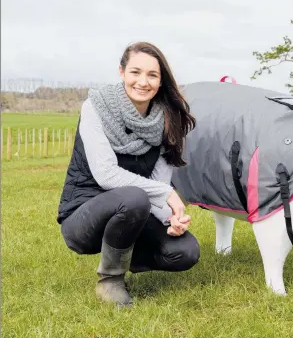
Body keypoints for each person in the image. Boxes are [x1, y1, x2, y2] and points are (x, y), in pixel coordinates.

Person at [57, 41, 199, 307]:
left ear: (160, 81)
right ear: (121, 72)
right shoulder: (95, 107)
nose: (143, 82)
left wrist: (170, 220)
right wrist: (167, 194)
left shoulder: (167, 119)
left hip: (134, 210)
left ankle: (124, 253)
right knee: (134, 197)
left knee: (185, 252)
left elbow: (158, 182)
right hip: (83, 215)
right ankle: (110, 280)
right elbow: (106, 175)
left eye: (152, 75)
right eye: (135, 72)